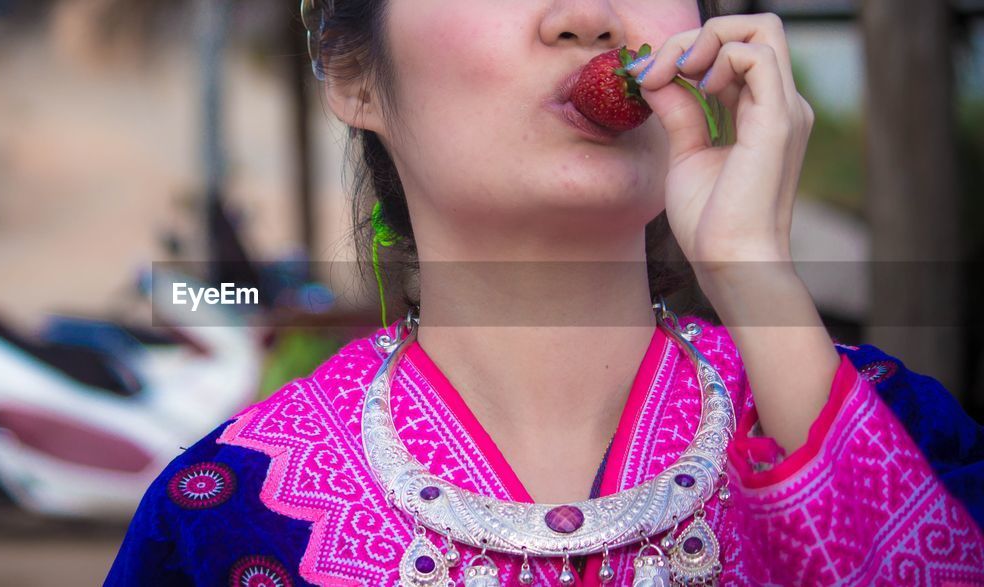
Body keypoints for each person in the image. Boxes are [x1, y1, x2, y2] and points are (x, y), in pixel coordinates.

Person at [104, 0, 984, 584]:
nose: (588, 15)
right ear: (353, 77)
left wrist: (757, 277)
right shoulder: (224, 516)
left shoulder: (907, 432)